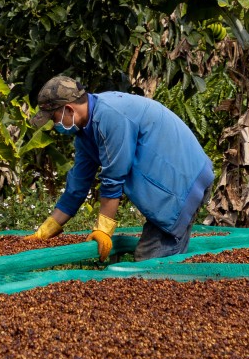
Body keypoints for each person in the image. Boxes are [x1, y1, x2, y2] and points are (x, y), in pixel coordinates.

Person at [26, 75, 214, 261]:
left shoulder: (110, 115)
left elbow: (114, 176)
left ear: (68, 109)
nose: (54, 124)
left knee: (151, 262)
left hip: (182, 184)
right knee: (153, 263)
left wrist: (103, 229)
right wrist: (47, 229)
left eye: (54, 118)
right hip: (172, 185)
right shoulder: (85, 133)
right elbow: (78, 185)